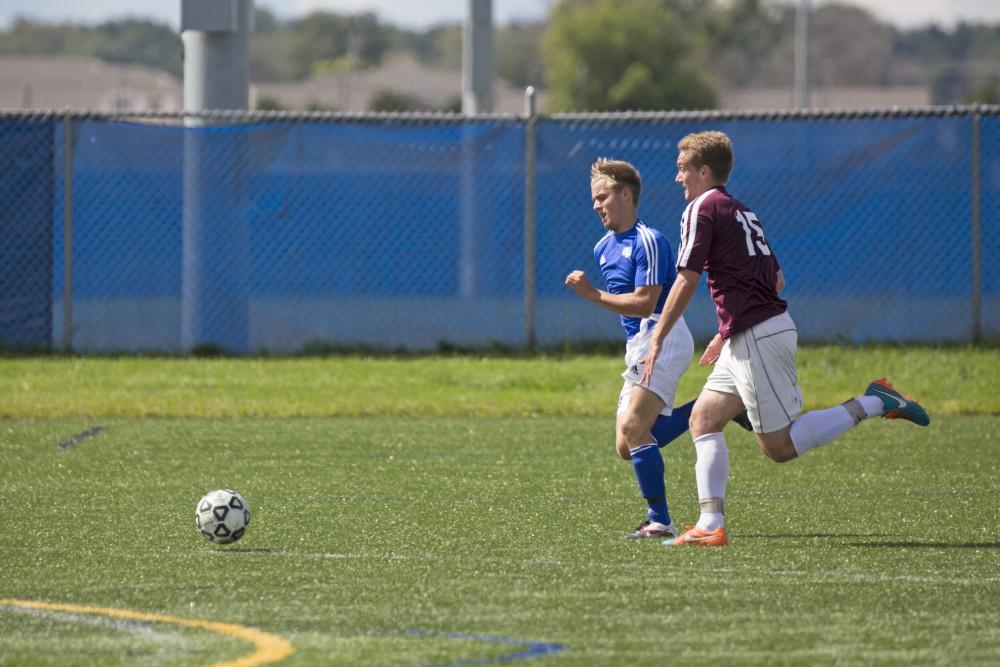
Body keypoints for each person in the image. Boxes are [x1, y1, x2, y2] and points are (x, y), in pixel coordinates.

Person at [640, 130, 930, 547]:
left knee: (780, 446)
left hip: (757, 335)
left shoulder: (702, 207)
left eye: (683, 168)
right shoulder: (741, 210)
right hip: (750, 333)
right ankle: (709, 524)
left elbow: (687, 277)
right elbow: (775, 277)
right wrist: (727, 332)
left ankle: (875, 401)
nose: (677, 177)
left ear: (704, 171)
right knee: (703, 419)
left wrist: (658, 337)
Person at [566, 158, 748, 540]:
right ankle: (725, 405)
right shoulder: (603, 247)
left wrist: (591, 295)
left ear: (626, 195)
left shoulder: (649, 241)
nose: (596, 205)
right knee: (627, 444)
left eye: (602, 197)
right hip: (639, 345)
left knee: (635, 427)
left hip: (662, 337)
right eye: (594, 199)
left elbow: (646, 304)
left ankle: (659, 519)